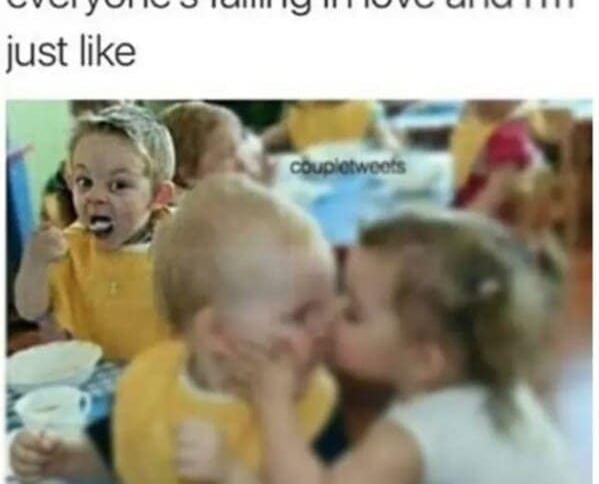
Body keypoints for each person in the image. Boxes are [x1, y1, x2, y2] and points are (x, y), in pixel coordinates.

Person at [11, 174, 341, 484]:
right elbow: (119, 453)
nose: (327, 327)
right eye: (300, 316)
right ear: (216, 333)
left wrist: (232, 474)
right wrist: (65, 459)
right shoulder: (150, 381)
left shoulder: (316, 403)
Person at [225, 210, 578, 484]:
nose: (332, 314)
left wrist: (274, 402)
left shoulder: (408, 438)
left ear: (424, 360)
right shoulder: (501, 390)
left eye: (354, 313)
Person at [14, 104, 175, 361]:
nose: (95, 196)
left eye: (118, 185)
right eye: (84, 182)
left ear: (158, 196)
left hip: (163, 375)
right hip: (97, 373)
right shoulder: (72, 246)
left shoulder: (181, 243)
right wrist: (34, 262)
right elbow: (30, 311)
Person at [262, 101, 401, 152]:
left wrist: (392, 148)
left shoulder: (366, 108)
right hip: (311, 186)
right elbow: (269, 139)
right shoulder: (300, 113)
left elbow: (387, 139)